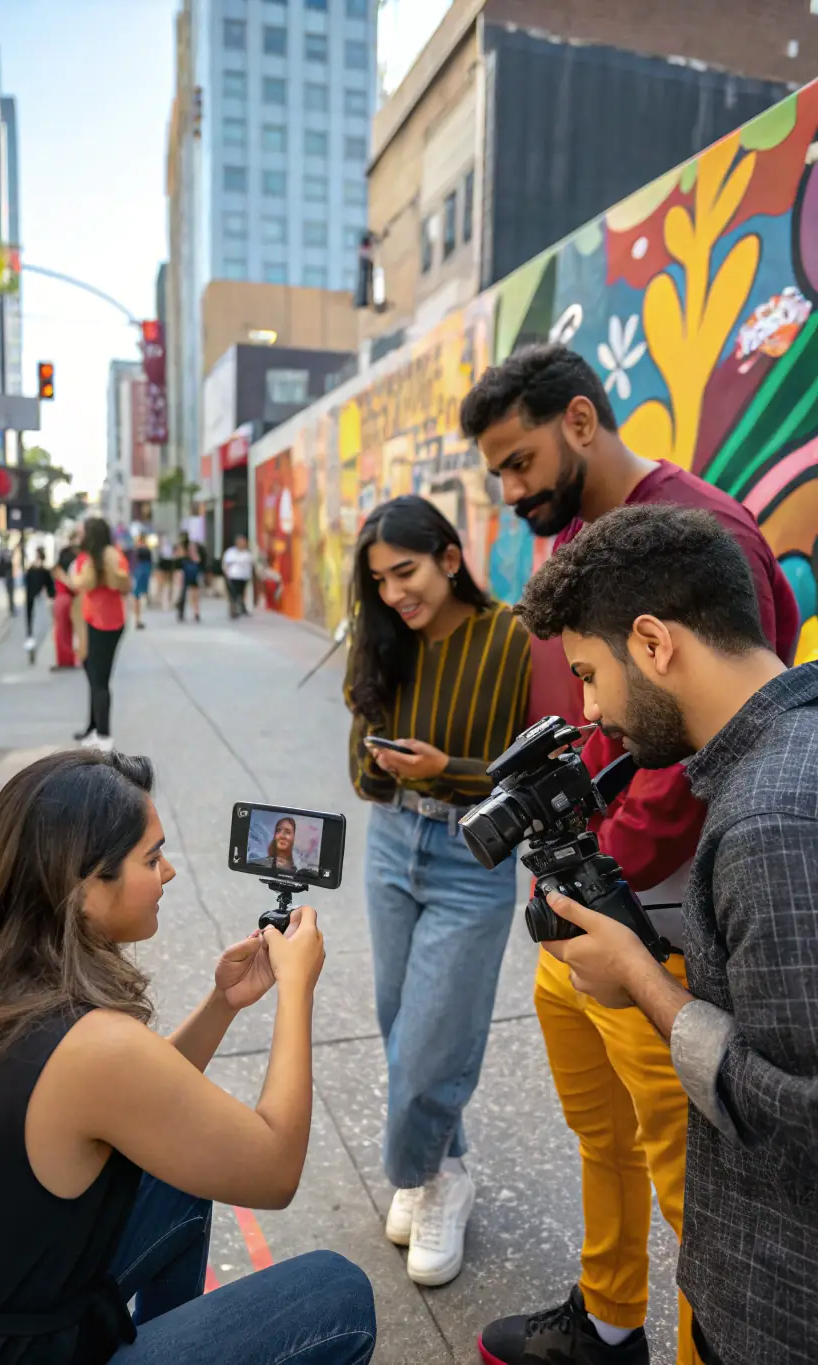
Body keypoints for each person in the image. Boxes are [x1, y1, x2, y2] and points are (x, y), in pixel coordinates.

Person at [460, 344, 799, 1365]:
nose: (511, 490)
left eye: (518, 463)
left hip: (660, 925)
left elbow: (716, 725)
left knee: (706, 1190)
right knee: (600, 1136)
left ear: (578, 419)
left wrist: (608, 867)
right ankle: (608, 1318)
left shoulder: (698, 535)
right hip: (589, 903)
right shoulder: (585, 546)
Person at [0, 748, 376, 1365]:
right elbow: (275, 1168)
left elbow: (143, 1099)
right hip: (12, 1353)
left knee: (177, 1171)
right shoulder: (93, 1046)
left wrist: (222, 1002)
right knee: (336, 1293)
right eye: (151, 858)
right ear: (81, 888)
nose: (170, 874)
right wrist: (296, 994)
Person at [511, 504, 818, 1365]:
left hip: (778, 1318)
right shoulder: (790, 751)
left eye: (589, 672)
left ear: (653, 643)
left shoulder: (770, 815)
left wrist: (641, 978)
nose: (590, 707)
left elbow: (799, 1109)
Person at [344, 494, 530, 1287]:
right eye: (380, 580)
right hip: (392, 842)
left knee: (431, 1045)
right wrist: (378, 748)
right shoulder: (386, 637)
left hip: (471, 856)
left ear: (450, 558)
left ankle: (424, 1173)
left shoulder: (513, 638)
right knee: (399, 1022)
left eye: (407, 572)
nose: (394, 594)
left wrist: (441, 770)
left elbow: (527, 767)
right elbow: (361, 773)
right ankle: (436, 1168)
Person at [72, 518, 130, 749]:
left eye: (82, 532)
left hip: (107, 625)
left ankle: (103, 736)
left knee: (100, 681)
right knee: (93, 678)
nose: (79, 536)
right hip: (91, 621)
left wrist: (107, 570)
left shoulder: (110, 556)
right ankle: (93, 728)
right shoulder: (89, 558)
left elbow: (123, 585)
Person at [51, 547, 78, 670]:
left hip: (61, 599)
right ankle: (70, 659)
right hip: (71, 600)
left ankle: (63, 660)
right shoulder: (72, 569)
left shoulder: (57, 569)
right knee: (69, 630)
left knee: (61, 631)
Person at [24, 548, 56, 650]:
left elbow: (50, 588)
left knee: (37, 621)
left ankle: (32, 639)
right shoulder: (41, 570)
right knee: (35, 620)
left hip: (36, 599)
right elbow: (51, 588)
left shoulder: (39, 570)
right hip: (34, 599)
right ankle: (31, 638)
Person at [222, 534, 255, 619]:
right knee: (234, 594)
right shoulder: (231, 552)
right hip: (233, 576)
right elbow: (226, 565)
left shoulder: (247, 553)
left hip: (244, 577)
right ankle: (233, 611)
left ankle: (242, 608)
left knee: (241, 594)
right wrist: (226, 575)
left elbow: (251, 565)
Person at [175, 534, 202, 624]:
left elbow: (199, 563)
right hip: (185, 576)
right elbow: (179, 565)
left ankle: (196, 613)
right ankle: (181, 612)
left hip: (193, 576)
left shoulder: (196, 556)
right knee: (183, 595)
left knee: (195, 596)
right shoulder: (183, 555)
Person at [132, 533, 154, 630]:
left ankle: (137, 619)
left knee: (137, 596)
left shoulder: (137, 550)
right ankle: (137, 619)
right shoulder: (145, 550)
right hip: (143, 571)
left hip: (139, 571)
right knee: (138, 595)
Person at [155, 534, 175, 609]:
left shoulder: (168, 548)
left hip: (168, 563)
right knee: (162, 582)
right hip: (164, 563)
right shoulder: (160, 548)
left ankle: (169, 597)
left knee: (169, 582)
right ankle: (160, 596)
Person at [0, 544, 16, 616]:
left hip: (8, 578)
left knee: (10, 594)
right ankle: (11, 609)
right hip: (7, 579)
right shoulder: (5, 560)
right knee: (10, 594)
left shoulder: (3, 559)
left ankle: (12, 609)